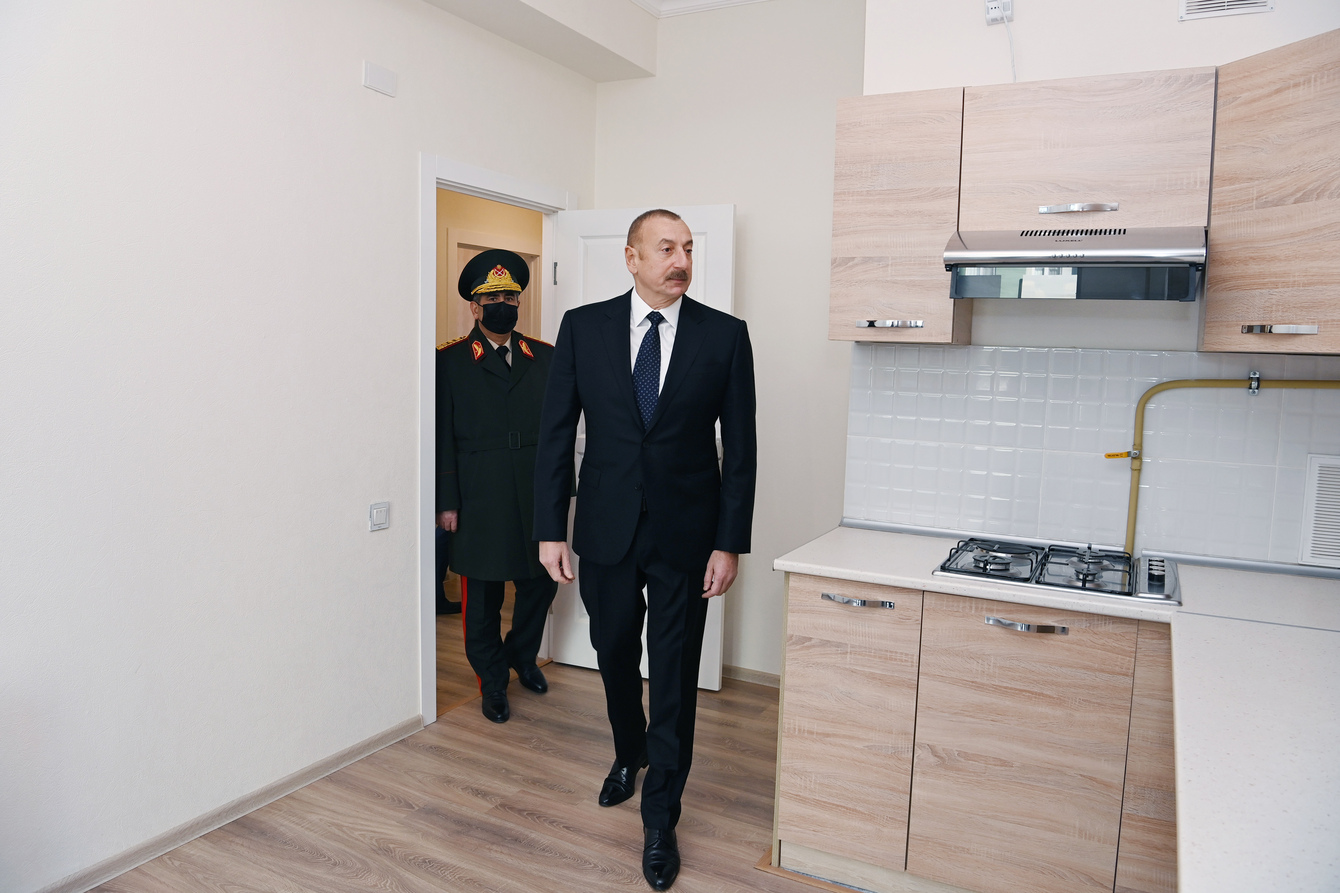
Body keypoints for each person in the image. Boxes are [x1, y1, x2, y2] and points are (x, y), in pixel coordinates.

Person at [533, 209, 757, 891]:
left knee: (675, 671)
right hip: (605, 528)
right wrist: (550, 528)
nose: (680, 259)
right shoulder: (584, 328)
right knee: (612, 652)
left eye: (686, 248)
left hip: (687, 535)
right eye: (666, 248)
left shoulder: (724, 336)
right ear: (632, 258)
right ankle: (628, 752)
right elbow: (555, 433)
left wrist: (729, 543)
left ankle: (661, 814)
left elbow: (741, 450)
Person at [437, 248, 557, 724]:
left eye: (510, 297)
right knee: (482, 597)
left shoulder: (544, 356)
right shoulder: (449, 360)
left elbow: (559, 430)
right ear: (475, 307)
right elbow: (442, 436)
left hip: (533, 494)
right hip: (479, 496)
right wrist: (447, 501)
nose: (503, 305)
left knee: (540, 585)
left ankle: (521, 658)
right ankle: (491, 681)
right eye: (493, 299)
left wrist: (562, 491)